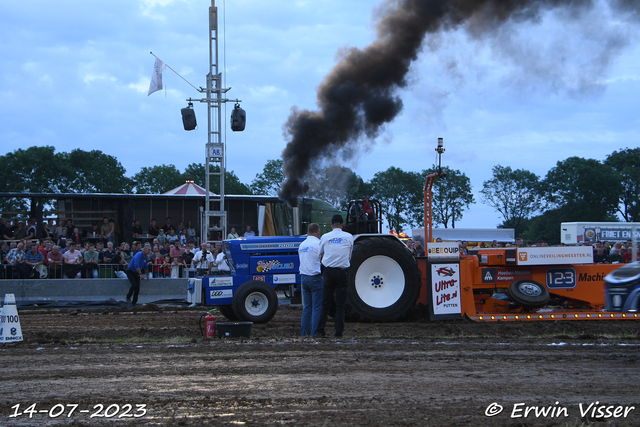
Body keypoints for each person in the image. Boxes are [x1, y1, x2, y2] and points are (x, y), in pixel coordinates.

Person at [317, 214, 354, 338]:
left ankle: (320, 331)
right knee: (340, 305)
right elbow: (350, 254)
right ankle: (338, 333)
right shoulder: (349, 237)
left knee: (325, 303)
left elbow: (320, 253)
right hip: (343, 272)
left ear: (331, 225)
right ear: (342, 224)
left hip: (329, 272)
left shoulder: (325, 237)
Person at [298, 223, 323, 337]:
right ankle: (315, 332)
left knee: (307, 308)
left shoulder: (302, 245)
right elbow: (323, 260)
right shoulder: (319, 244)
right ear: (318, 233)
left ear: (307, 232)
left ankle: (304, 333)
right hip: (315, 277)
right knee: (316, 307)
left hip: (304, 277)